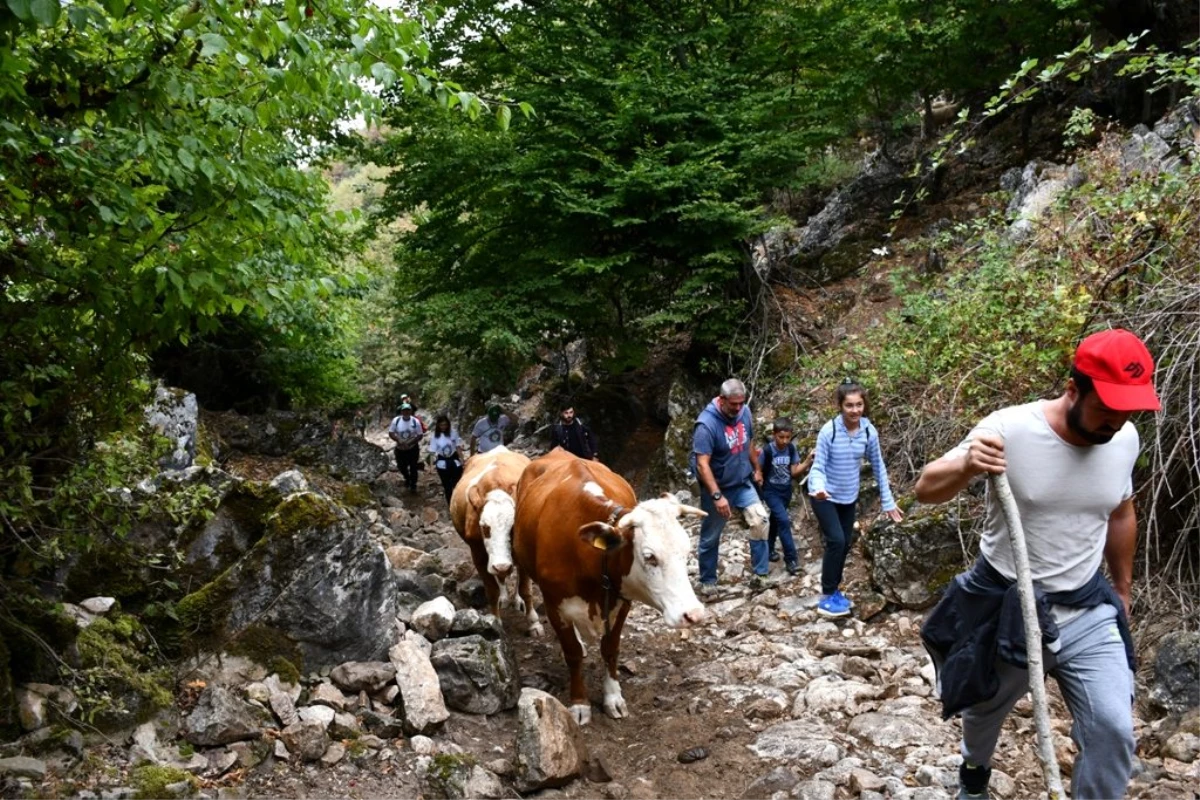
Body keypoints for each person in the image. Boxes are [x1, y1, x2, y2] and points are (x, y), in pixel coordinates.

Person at [914, 329, 1159, 800]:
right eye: (1106, 407)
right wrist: (967, 463)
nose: (1117, 420)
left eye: (1126, 409)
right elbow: (926, 489)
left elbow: (1121, 510)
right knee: (984, 707)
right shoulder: (1010, 428)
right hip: (1008, 602)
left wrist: (1123, 589)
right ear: (1073, 390)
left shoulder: (1124, 437)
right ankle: (974, 774)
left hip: (1087, 606)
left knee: (1113, 728)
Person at [807, 379, 904, 618]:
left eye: (858, 405)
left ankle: (835, 590)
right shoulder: (828, 431)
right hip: (823, 495)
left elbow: (878, 466)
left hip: (848, 497)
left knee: (846, 542)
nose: (855, 410)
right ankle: (827, 595)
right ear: (840, 406)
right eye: (849, 405)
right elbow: (817, 467)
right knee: (837, 541)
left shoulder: (868, 432)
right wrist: (819, 488)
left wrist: (888, 501)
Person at [692, 378, 770, 596]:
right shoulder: (706, 425)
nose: (738, 408)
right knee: (711, 535)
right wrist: (717, 496)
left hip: (742, 480)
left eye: (741, 403)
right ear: (721, 399)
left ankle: (760, 575)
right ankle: (708, 581)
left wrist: (757, 468)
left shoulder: (744, 412)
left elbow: (748, 442)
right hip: (717, 486)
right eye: (733, 404)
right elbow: (702, 464)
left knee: (761, 520)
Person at [759, 417, 813, 576]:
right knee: (783, 520)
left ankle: (768, 549)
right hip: (771, 491)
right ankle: (791, 560)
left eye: (787, 437)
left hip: (786, 491)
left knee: (776, 520)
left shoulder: (791, 449)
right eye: (780, 437)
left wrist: (808, 461)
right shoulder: (767, 451)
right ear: (774, 434)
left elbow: (794, 472)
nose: (784, 441)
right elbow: (758, 470)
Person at [388, 403, 426, 492]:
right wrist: (398, 440)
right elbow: (391, 432)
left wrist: (409, 443)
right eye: (404, 410)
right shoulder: (396, 420)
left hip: (412, 448)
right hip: (400, 448)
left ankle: (413, 485)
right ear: (401, 411)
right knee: (401, 466)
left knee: (413, 467)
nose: (406, 412)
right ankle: (407, 478)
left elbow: (420, 435)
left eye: (408, 410)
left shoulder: (415, 421)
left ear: (411, 411)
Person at [426, 415, 465, 503]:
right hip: (442, 462)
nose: (443, 427)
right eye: (441, 425)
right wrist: (431, 467)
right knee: (447, 486)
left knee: (457, 483)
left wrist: (462, 459)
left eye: (445, 425)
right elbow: (432, 452)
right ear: (438, 425)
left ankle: (458, 501)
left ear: (448, 425)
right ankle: (450, 504)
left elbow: (458, 447)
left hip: (454, 460)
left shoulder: (453, 433)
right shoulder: (435, 437)